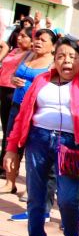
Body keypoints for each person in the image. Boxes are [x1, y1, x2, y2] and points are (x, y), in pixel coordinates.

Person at [3, 30, 79, 236]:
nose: (66, 61)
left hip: (71, 143)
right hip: (38, 141)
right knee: (36, 195)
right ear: (54, 58)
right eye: (61, 56)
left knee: (68, 197)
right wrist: (12, 147)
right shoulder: (42, 80)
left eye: (73, 56)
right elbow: (23, 115)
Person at [2, 29, 57, 196]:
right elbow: (14, 73)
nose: (38, 42)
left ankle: (31, 188)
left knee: (32, 149)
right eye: (37, 39)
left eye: (43, 40)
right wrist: (13, 80)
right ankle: (10, 182)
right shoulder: (28, 56)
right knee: (11, 144)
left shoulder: (53, 63)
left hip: (36, 110)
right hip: (16, 106)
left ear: (53, 46)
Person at [0, 27, 33, 177]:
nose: (19, 39)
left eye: (24, 36)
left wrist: (38, 24)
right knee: (6, 129)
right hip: (3, 89)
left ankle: (8, 168)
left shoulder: (29, 55)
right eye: (19, 36)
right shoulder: (14, 51)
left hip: (14, 92)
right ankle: (2, 163)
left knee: (12, 132)